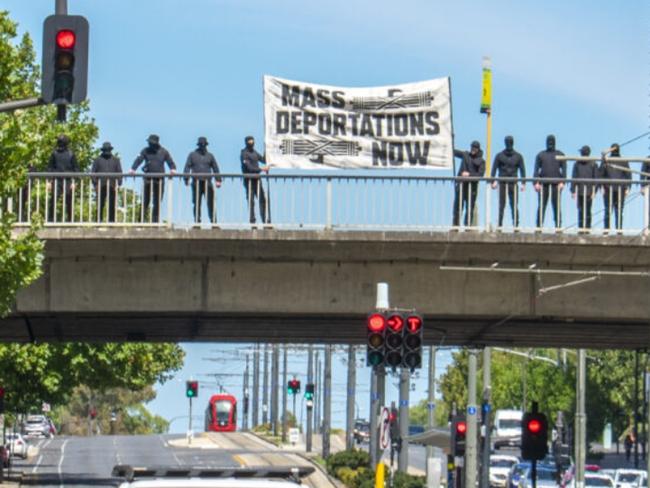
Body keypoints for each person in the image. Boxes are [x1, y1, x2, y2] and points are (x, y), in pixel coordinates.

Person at [130, 134, 176, 223]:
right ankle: (141, 221)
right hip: (148, 179)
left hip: (159, 180)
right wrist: (133, 169)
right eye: (149, 143)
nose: (149, 144)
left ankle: (155, 222)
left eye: (151, 143)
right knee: (145, 201)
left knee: (157, 202)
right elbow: (139, 159)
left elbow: (170, 162)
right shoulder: (145, 150)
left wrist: (172, 169)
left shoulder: (164, 152)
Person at [183, 136, 222, 224]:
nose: (202, 146)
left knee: (211, 203)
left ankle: (214, 222)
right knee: (196, 203)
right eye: (201, 145)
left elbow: (215, 168)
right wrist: (186, 178)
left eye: (204, 145)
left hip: (207, 182)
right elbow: (187, 166)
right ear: (198, 145)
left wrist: (218, 180)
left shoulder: (210, 156)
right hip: (196, 182)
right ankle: (197, 222)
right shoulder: (192, 155)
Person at [491, 135, 526, 228]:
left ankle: (516, 225)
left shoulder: (518, 156)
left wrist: (523, 183)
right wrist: (492, 181)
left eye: (510, 142)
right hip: (502, 182)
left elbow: (522, 169)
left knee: (514, 204)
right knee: (502, 204)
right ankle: (500, 224)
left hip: (513, 183)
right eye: (507, 142)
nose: (509, 143)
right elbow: (494, 168)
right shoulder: (499, 156)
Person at [534, 135, 566, 230]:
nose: (550, 143)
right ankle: (539, 226)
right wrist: (536, 182)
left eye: (552, 141)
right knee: (542, 206)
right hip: (543, 185)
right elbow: (536, 170)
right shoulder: (541, 155)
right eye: (549, 141)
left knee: (556, 206)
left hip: (556, 185)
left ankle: (558, 226)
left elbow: (564, 170)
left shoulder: (560, 154)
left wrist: (562, 182)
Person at [46, 135, 79, 222]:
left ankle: (70, 219)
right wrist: (49, 181)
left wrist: (74, 182)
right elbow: (50, 168)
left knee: (69, 200)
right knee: (53, 199)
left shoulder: (71, 154)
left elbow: (76, 169)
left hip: (68, 180)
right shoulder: (54, 153)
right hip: (56, 180)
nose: (59, 144)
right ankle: (50, 219)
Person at [452, 141, 485, 227]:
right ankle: (455, 226)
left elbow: (480, 175)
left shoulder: (481, 161)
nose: (473, 149)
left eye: (475, 148)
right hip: (461, 185)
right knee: (458, 206)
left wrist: (469, 175)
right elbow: (453, 152)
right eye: (472, 147)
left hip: (472, 187)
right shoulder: (465, 155)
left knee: (470, 207)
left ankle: (468, 226)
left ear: (478, 149)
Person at [600, 143, 630, 232]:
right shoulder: (622, 161)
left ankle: (609, 230)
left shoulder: (610, 160)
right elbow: (628, 175)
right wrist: (628, 188)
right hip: (614, 188)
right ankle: (616, 230)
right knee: (617, 210)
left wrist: (628, 187)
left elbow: (601, 173)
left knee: (611, 210)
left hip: (612, 189)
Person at [240, 135, 270, 225]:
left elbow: (264, 160)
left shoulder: (254, 152)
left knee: (262, 199)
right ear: (246, 142)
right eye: (249, 142)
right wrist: (261, 169)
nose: (251, 143)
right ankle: (252, 220)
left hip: (257, 180)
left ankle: (265, 220)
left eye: (252, 142)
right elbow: (249, 168)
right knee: (251, 200)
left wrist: (267, 150)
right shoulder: (244, 153)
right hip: (248, 180)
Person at [91, 142, 123, 223]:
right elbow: (93, 173)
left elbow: (119, 172)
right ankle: (98, 221)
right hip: (100, 186)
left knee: (112, 205)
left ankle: (111, 222)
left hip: (112, 186)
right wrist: (95, 184)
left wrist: (118, 184)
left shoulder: (116, 160)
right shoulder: (97, 160)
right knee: (100, 204)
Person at [571, 145, 598, 232]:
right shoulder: (593, 163)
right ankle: (585, 227)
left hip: (583, 190)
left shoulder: (578, 163)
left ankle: (584, 227)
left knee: (583, 210)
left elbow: (574, 177)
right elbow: (596, 178)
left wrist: (573, 190)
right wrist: (595, 191)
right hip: (586, 190)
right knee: (585, 210)